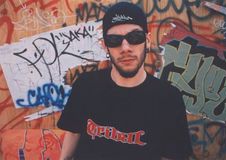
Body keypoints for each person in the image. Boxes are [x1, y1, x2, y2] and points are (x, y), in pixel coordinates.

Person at [57, 2, 193, 160]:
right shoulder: (86, 86)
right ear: (105, 46)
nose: (125, 47)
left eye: (135, 37)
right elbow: (73, 133)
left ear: (147, 41)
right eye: (114, 40)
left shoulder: (168, 98)